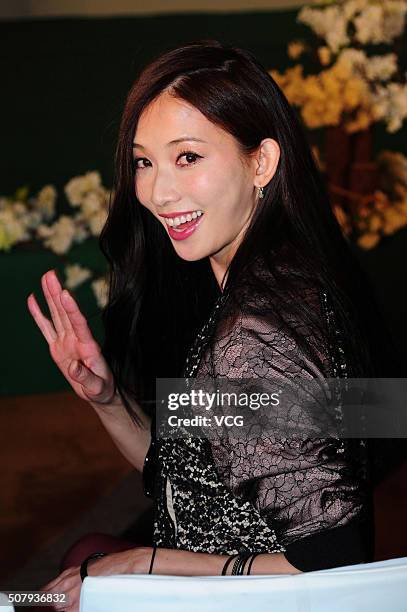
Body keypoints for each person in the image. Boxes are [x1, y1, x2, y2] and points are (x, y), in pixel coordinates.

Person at [27, 39, 397, 610]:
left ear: (262, 162)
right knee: (70, 566)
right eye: (144, 161)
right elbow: (191, 480)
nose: (156, 191)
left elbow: (336, 562)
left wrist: (143, 564)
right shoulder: (282, 277)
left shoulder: (254, 333)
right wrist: (105, 397)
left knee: (30, 603)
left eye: (188, 157)